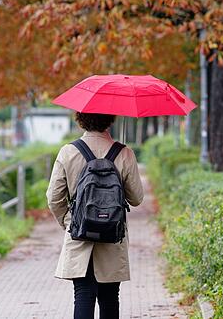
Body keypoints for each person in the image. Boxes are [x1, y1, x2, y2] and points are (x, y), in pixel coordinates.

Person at [46, 112, 144, 319]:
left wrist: (69, 222)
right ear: (110, 119)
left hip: (79, 234)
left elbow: (54, 198)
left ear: (81, 119)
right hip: (112, 235)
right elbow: (136, 199)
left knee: (83, 295)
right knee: (110, 297)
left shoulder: (68, 152)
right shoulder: (124, 153)